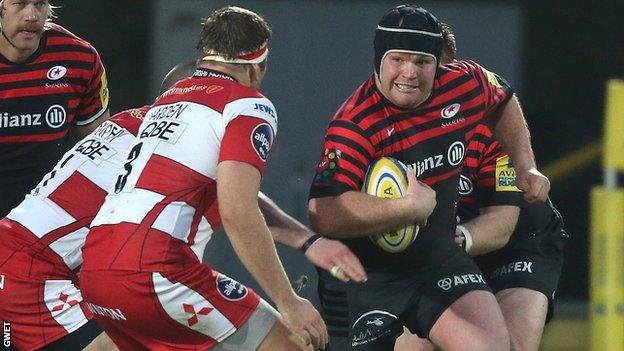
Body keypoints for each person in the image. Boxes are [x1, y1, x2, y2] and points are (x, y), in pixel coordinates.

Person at [0, 56, 364, 350]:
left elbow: (237, 196)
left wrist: (307, 241)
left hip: (23, 261)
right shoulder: (171, 140)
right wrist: (292, 284)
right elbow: (237, 203)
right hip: (31, 277)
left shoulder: (142, 130)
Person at [80, 7, 327, 351]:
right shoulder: (248, 105)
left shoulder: (168, 99)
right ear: (257, 67)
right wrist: (289, 301)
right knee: (292, 346)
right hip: (156, 271)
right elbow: (238, 212)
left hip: (95, 270)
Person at [308, 4, 550, 351]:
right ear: (379, 60)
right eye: (399, 60)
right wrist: (406, 210)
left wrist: (525, 165)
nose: (410, 73)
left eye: (422, 62)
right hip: (367, 276)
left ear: (438, 64)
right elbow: (324, 214)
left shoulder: (463, 84)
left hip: (436, 261)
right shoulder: (355, 124)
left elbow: (502, 98)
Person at [0, 0, 110, 218]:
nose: (32, 15)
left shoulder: (79, 58)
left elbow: (103, 148)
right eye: (20, 4)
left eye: (39, 4)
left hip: (45, 215)